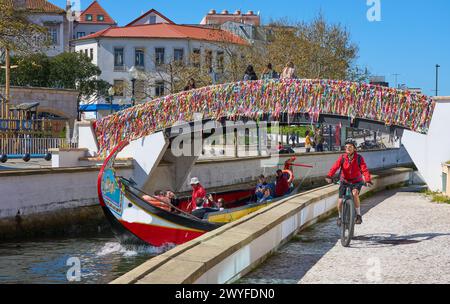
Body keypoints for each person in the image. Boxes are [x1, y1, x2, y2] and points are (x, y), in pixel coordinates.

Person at [325, 139, 373, 226]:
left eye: (350, 147)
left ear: (354, 148)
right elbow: (335, 167)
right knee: (340, 201)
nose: (348, 148)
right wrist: (329, 176)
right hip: (344, 181)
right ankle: (339, 217)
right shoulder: (342, 158)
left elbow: (364, 170)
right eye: (346, 147)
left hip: (356, 181)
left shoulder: (359, 158)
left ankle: (358, 215)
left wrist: (367, 180)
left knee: (355, 194)